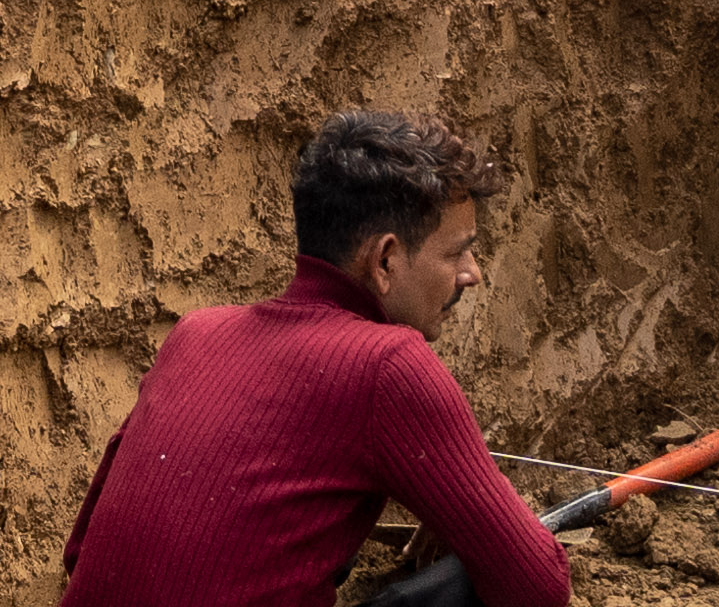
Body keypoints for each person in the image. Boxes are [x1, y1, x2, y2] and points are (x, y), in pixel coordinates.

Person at [60, 106, 565, 607]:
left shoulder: (196, 332)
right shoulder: (388, 364)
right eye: (457, 252)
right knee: (468, 584)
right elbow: (538, 587)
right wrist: (471, 502)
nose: (471, 273)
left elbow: (80, 553)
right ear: (385, 259)